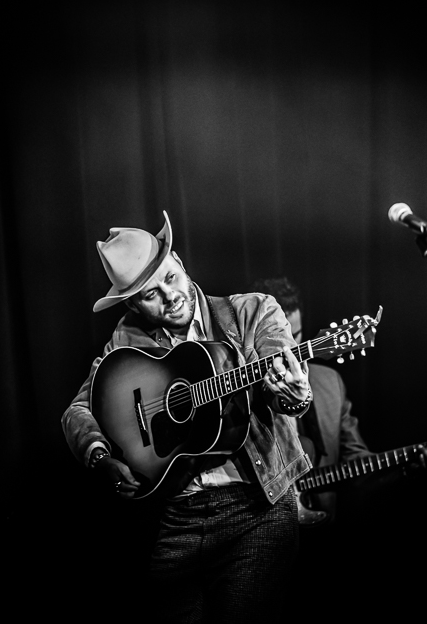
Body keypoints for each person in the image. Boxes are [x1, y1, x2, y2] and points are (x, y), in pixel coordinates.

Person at [62, 212, 313, 623]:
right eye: (150, 294)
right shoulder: (126, 342)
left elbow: (281, 377)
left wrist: (295, 394)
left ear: (178, 260)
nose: (170, 296)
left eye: (170, 277)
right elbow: (78, 410)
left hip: (256, 510)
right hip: (176, 520)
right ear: (132, 304)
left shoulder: (251, 311)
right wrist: (100, 456)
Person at [248, 277, 427, 525]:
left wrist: (407, 466)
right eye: (279, 341)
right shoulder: (241, 395)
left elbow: (357, 464)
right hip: (258, 526)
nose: (291, 349)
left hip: (322, 527)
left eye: (294, 335)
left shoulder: (330, 383)